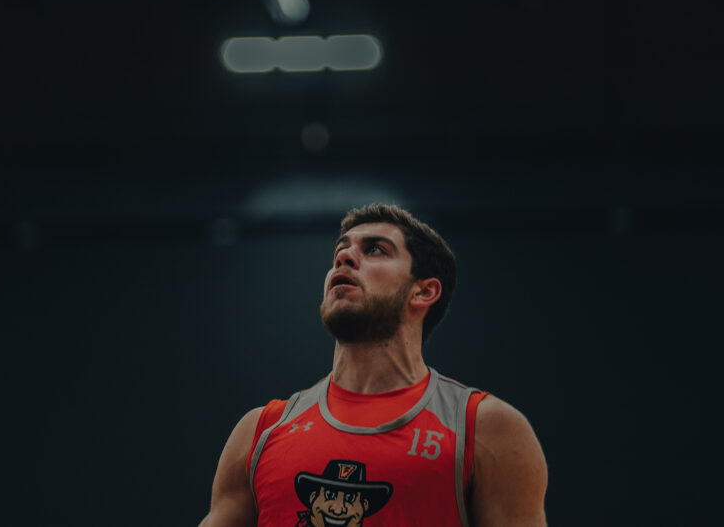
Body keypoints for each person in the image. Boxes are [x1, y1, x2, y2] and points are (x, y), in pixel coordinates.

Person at [199, 203, 547, 527]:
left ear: (423, 292)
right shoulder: (260, 431)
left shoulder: (485, 428)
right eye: (341, 250)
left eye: (375, 249)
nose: (345, 258)